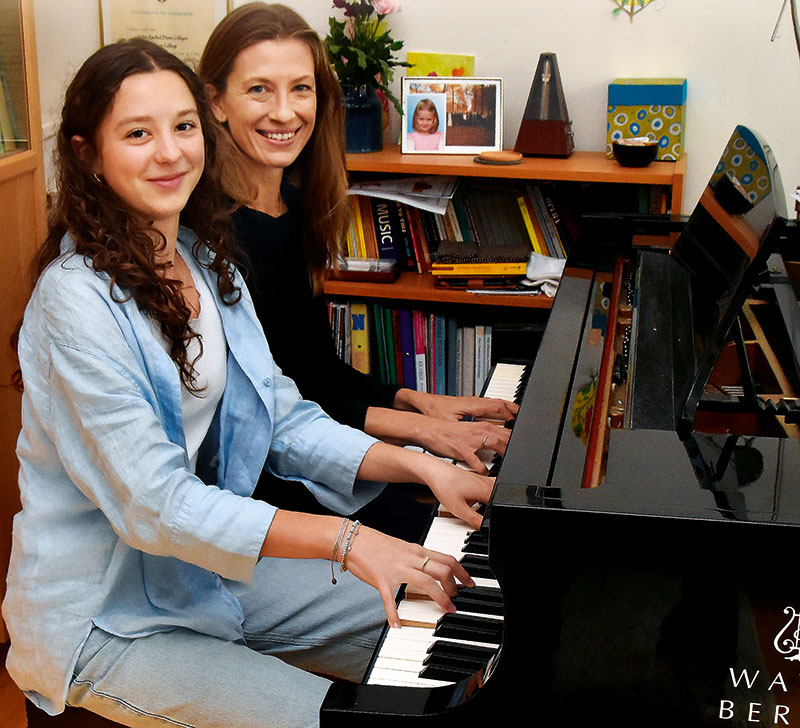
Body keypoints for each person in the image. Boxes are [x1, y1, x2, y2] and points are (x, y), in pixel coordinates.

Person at [2, 39, 492, 728]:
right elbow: (156, 504)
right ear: (87, 154)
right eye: (138, 134)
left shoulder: (204, 258)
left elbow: (283, 420)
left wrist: (424, 466)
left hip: (198, 577)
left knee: (455, 612)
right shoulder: (74, 300)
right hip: (103, 619)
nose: (170, 152)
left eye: (182, 126)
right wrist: (347, 540)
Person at [198, 3, 518, 489]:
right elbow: (272, 408)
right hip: (258, 477)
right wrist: (423, 432)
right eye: (259, 89)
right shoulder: (206, 235)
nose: (284, 112)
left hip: (318, 446)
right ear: (216, 101)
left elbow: (318, 374)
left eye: (300, 88)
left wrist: (419, 401)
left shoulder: (298, 207)